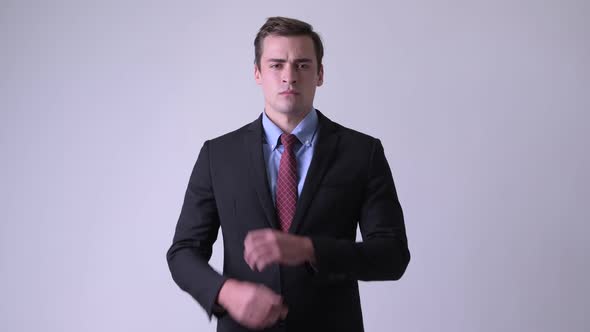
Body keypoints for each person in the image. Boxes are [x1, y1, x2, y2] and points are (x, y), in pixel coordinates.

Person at [166, 16, 410, 332]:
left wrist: (310, 249)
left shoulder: (362, 152)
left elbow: (392, 255)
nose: (289, 77)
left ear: (320, 74)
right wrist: (226, 292)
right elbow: (183, 252)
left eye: (302, 65)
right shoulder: (218, 155)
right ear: (257, 73)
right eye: (276, 65)